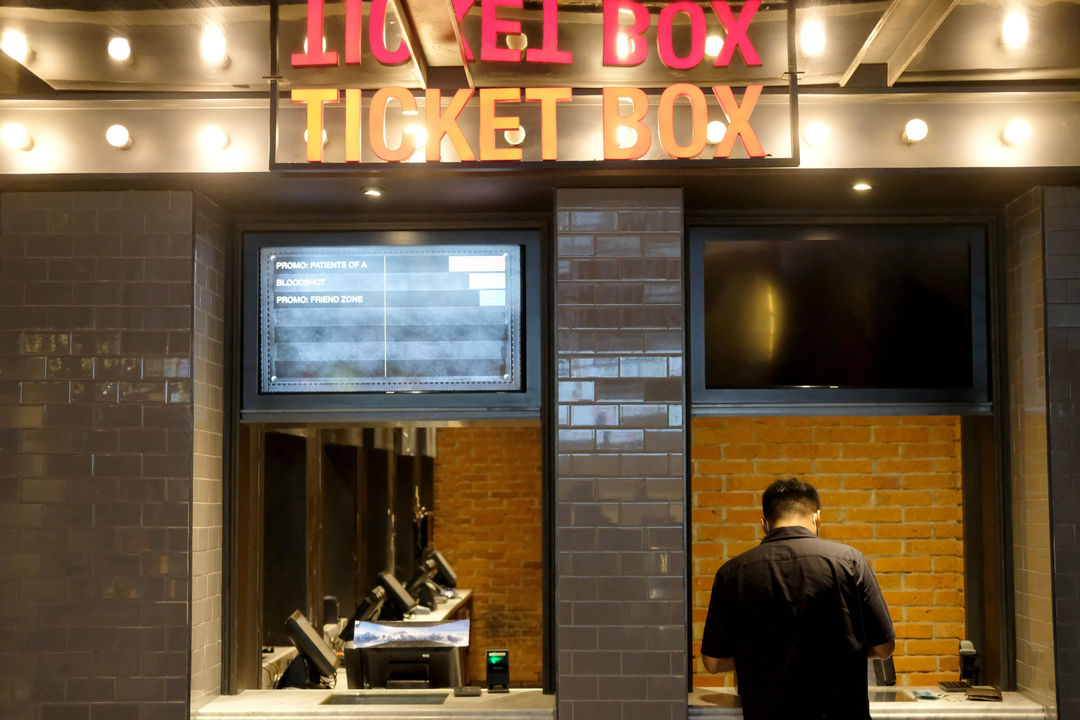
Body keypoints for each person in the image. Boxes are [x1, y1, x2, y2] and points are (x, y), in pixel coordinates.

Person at [700, 478, 896, 720]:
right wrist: (841, 648)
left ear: (764, 523)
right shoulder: (850, 562)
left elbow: (713, 663)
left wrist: (762, 652)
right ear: (817, 518)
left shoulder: (732, 573)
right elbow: (884, 648)